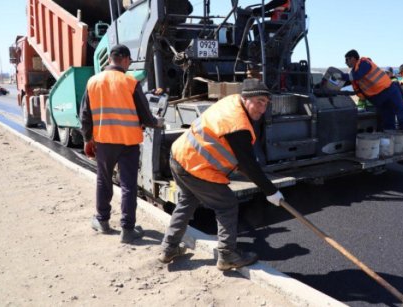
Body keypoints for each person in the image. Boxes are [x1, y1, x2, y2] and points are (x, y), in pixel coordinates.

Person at [158, 78, 285, 271]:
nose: (262, 109)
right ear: (246, 98)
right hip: (194, 166)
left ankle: (168, 249)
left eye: (266, 103)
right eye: (259, 102)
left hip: (179, 156)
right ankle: (227, 255)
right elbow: (248, 165)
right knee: (226, 204)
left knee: (187, 201)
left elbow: (241, 158)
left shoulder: (233, 101)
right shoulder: (237, 124)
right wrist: (271, 191)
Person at [79, 44, 164, 243]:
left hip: (104, 142)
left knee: (104, 180)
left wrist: (86, 139)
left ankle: (102, 221)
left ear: (110, 59)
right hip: (128, 143)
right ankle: (127, 230)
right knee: (128, 186)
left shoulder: (93, 81)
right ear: (125, 59)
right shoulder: (130, 82)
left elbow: (84, 115)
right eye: (129, 61)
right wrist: (158, 122)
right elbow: (145, 115)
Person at [339, 50, 403, 152]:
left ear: (353, 58)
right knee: (388, 122)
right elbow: (347, 80)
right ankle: (390, 148)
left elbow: (356, 75)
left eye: (347, 60)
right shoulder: (354, 72)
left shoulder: (363, 63)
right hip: (380, 98)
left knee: (402, 116)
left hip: (390, 91)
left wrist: (339, 75)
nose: (345, 62)